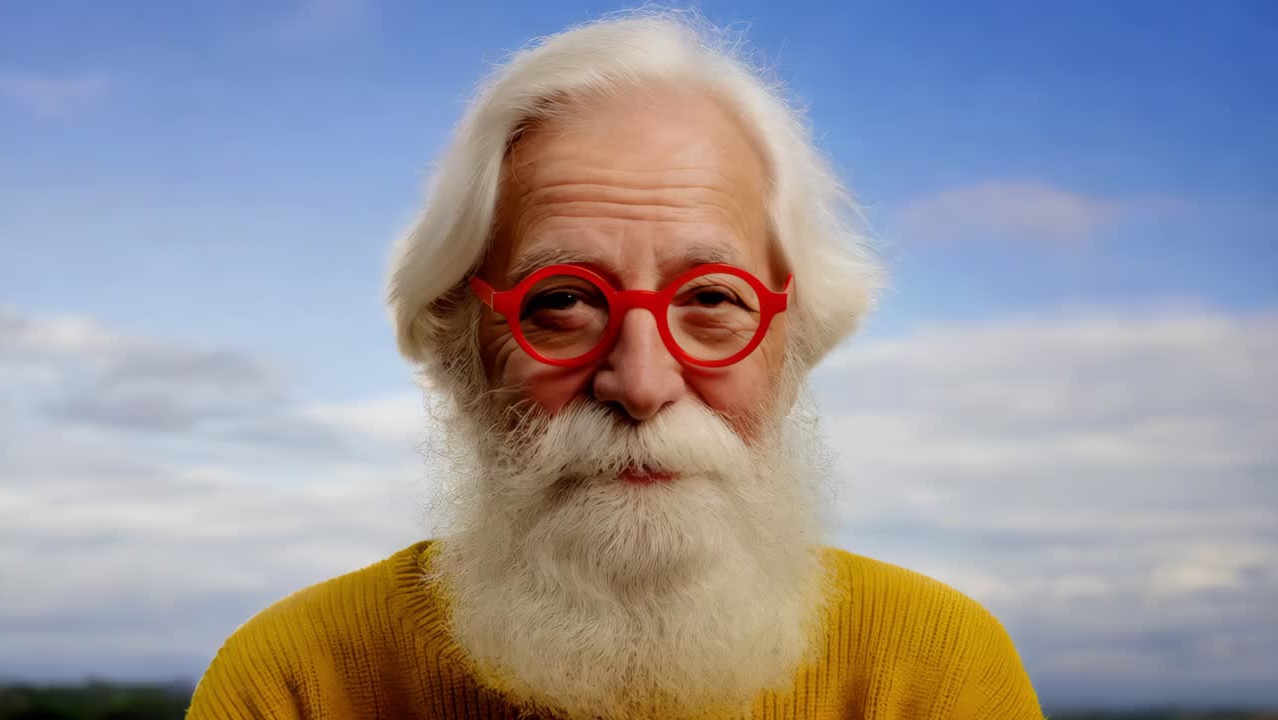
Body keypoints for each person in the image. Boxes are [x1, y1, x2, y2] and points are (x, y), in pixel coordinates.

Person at [187, 10, 1043, 720]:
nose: (640, 384)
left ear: (794, 336)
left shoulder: (934, 675)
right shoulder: (295, 682)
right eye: (561, 302)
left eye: (711, 300)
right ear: (462, 340)